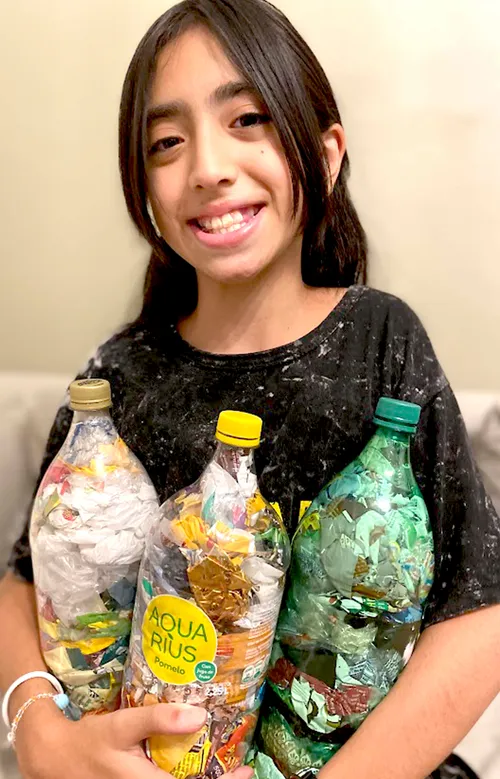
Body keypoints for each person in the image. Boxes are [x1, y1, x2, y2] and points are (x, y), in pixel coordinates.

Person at [1, 1, 499, 777]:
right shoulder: (120, 373)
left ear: (326, 153)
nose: (206, 167)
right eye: (166, 142)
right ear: (143, 186)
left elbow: (481, 610)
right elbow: (25, 581)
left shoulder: (380, 341)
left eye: (248, 120)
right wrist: (40, 732)